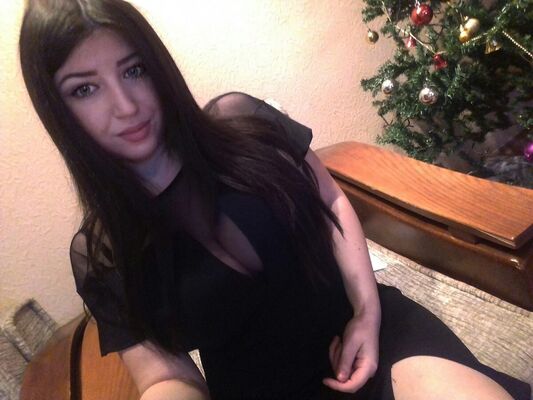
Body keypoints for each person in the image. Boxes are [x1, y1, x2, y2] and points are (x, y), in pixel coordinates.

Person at [18, 1, 530, 399]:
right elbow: (163, 376)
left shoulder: (244, 122)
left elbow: (332, 201)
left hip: (376, 334)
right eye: (85, 89)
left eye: (133, 71)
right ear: (58, 109)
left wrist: (366, 312)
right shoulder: (103, 252)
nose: (125, 106)